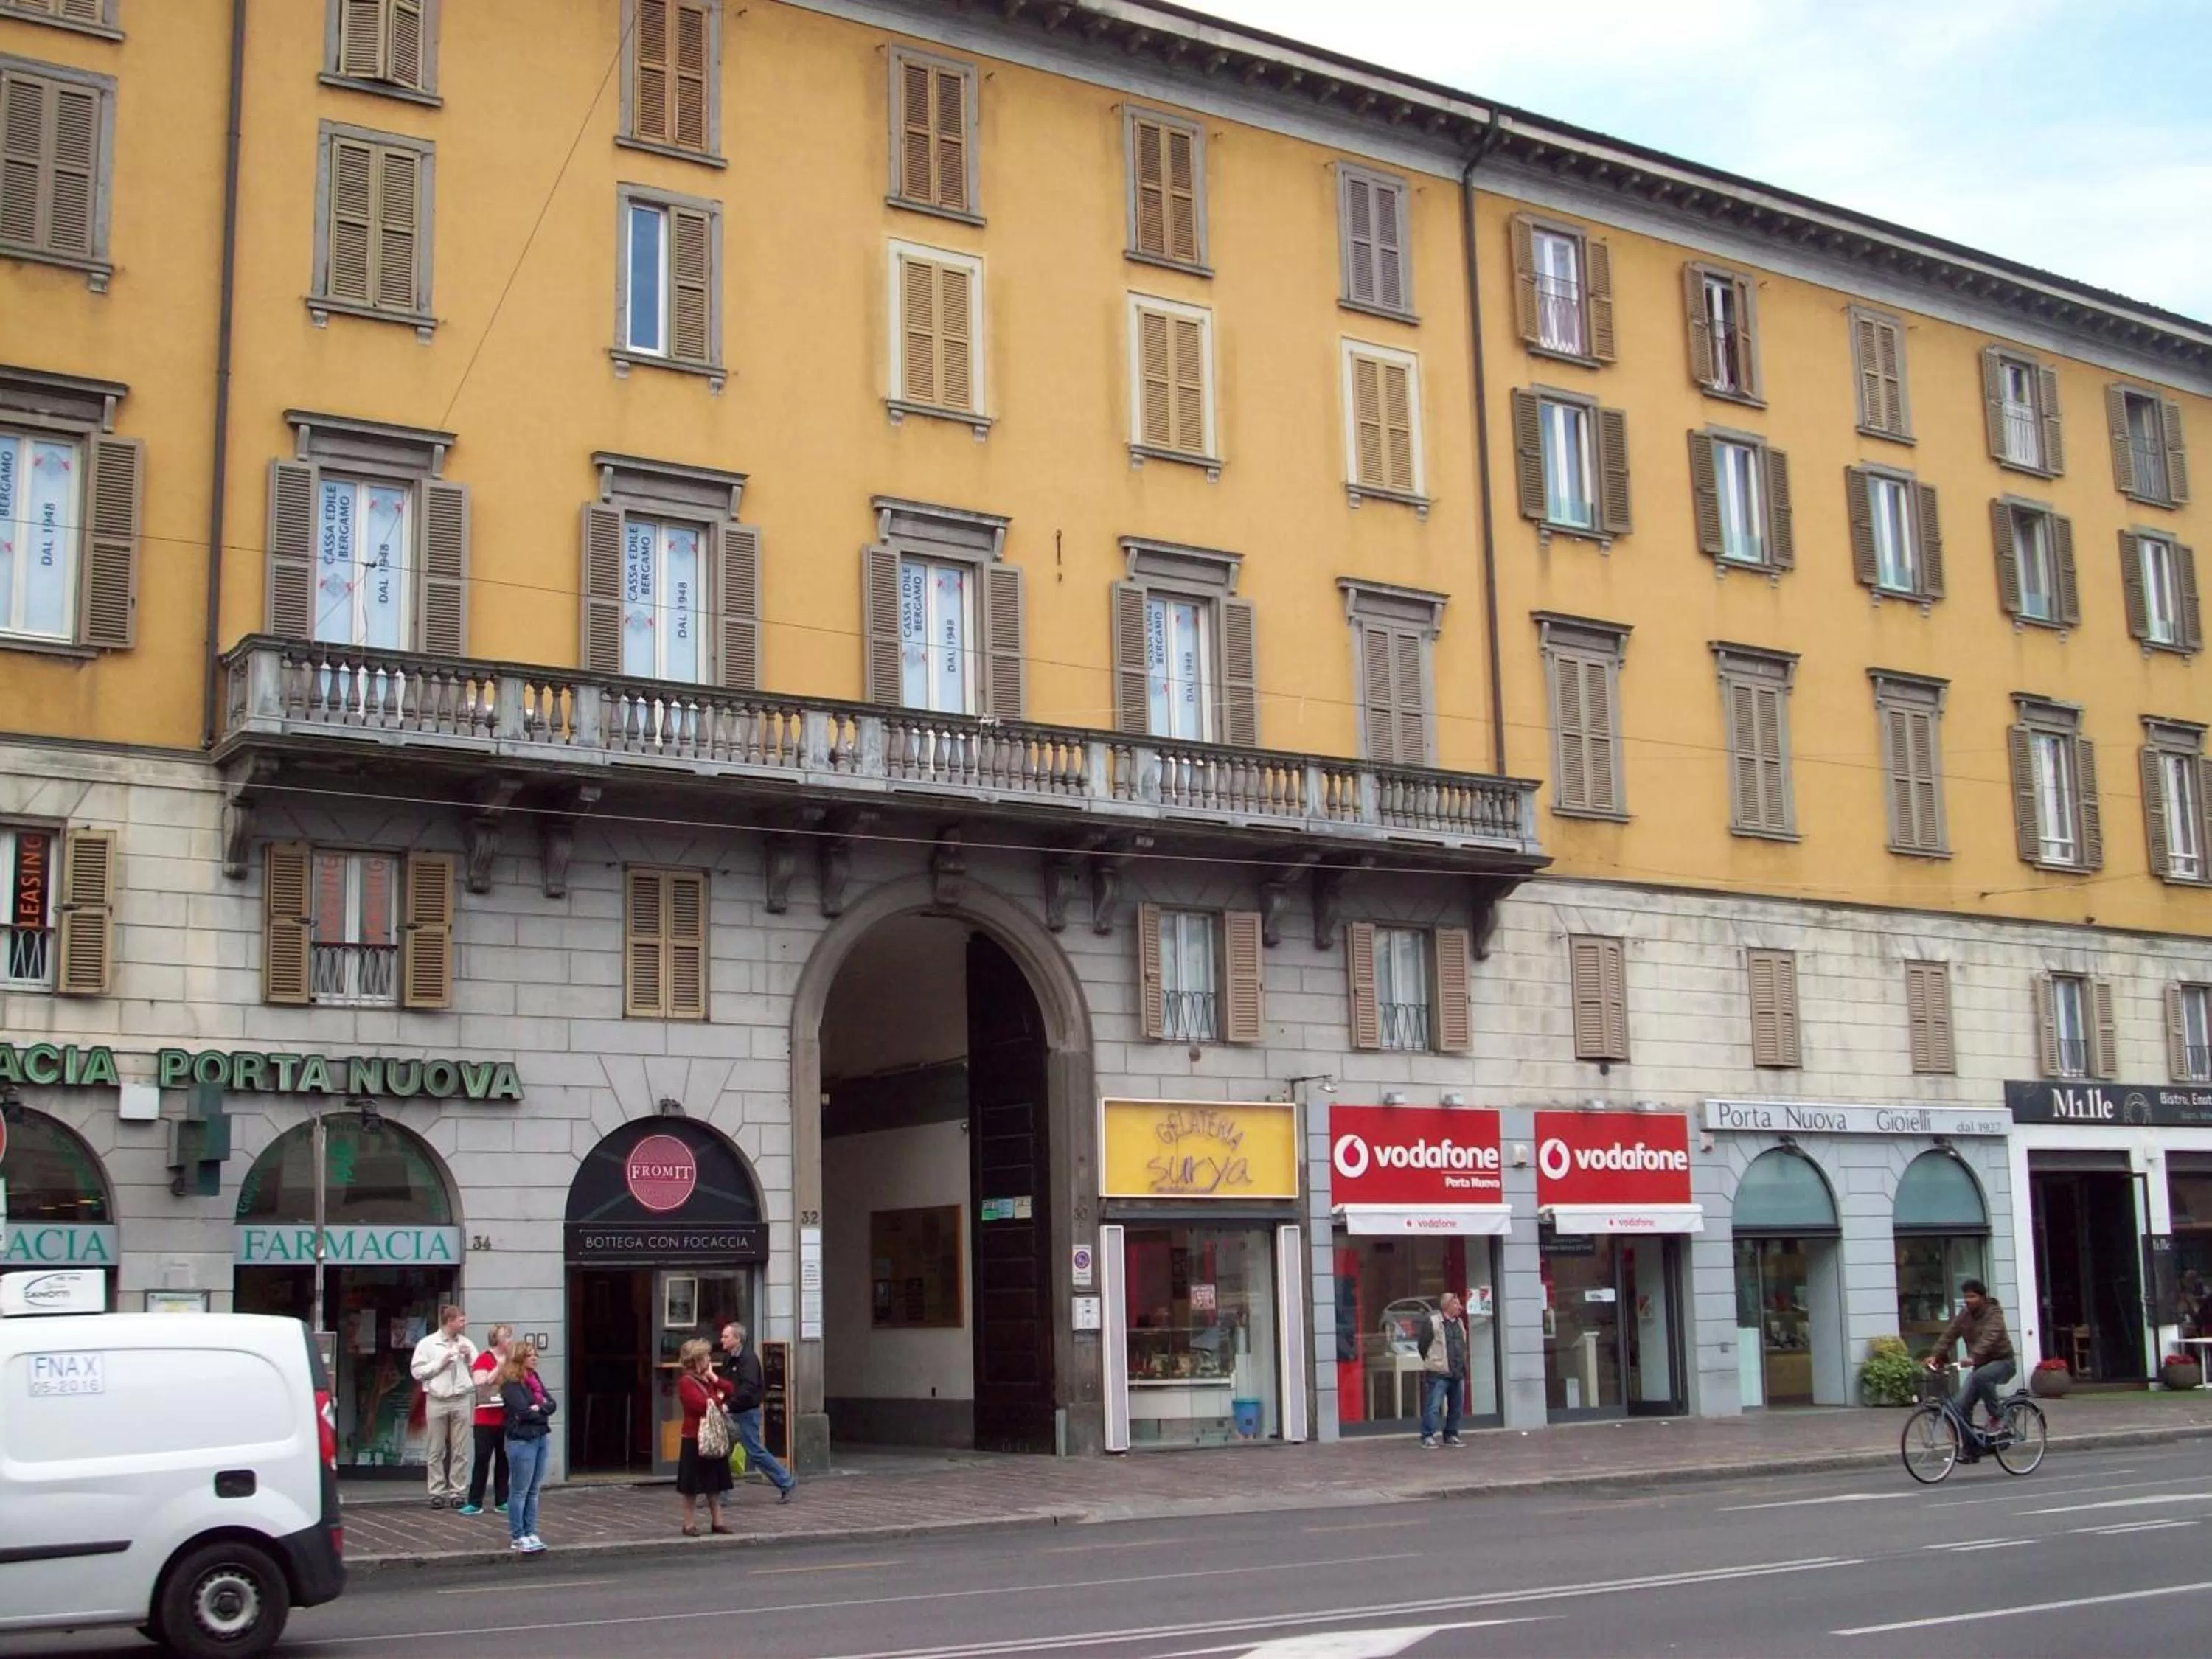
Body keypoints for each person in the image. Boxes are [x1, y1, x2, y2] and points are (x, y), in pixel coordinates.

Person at [1927, 1279, 2016, 1450]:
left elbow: (1989, 1338)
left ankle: (1998, 1417)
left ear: (1983, 1297)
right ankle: (1971, 1449)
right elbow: (1950, 1334)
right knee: (1959, 1407)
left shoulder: (1994, 1313)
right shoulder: (1965, 1315)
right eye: (1966, 1297)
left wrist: (1973, 1356)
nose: (1968, 1300)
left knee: (1982, 1376)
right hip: (1980, 1366)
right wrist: (1935, 1355)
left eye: (1973, 1297)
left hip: (2003, 1362)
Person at [717, 1321, 796, 1503]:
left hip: (745, 1413)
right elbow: (725, 1383)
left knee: (755, 1452)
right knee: (721, 1453)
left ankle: (786, 1482)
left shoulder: (749, 1359)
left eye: (726, 1336)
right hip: (731, 1411)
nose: (722, 1340)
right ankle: (719, 1494)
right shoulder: (729, 1358)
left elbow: (748, 1389)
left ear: (737, 1339)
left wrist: (730, 1404)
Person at [409, 1304, 477, 1509]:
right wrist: (441, 1362)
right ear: (450, 1322)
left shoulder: (466, 1343)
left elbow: (479, 1368)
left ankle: (458, 1491)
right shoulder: (428, 1344)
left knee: (460, 1449)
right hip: (437, 1398)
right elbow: (417, 1372)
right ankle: (436, 1492)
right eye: (461, 1320)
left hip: (461, 1398)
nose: (464, 1324)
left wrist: (467, 1358)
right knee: (436, 1448)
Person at [498, 1340, 556, 1554]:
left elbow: (552, 1404)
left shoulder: (534, 1380)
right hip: (522, 1440)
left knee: (534, 1490)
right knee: (520, 1490)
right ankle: (518, 1535)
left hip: (540, 1436)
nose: (534, 1358)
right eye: (530, 1355)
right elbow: (523, 1412)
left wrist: (538, 1409)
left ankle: (531, 1532)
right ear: (519, 1358)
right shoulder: (511, 1385)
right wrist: (539, 1410)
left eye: (535, 1354)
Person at [675, 1338, 737, 1535]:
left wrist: (714, 1377)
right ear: (696, 1360)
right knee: (690, 1485)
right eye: (706, 1357)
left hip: (713, 1438)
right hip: (695, 1437)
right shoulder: (686, 1382)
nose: (710, 1359)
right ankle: (689, 1524)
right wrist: (717, 1398)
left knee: (715, 1483)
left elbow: (730, 1390)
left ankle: (717, 1521)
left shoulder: (708, 1378)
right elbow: (702, 1405)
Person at [458, 1324, 512, 1517]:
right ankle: (475, 1502)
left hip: (505, 1418)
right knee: (482, 1459)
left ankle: (502, 1500)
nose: (509, 1342)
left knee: (504, 1459)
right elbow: (481, 1382)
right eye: (506, 1338)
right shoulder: (483, 1358)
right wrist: (499, 1367)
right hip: (485, 1419)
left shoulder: (512, 1360)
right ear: (497, 1340)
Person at [1416, 1293, 1469, 1450]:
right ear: (1447, 1305)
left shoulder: (1459, 1323)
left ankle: (1451, 1434)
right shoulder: (1433, 1322)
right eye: (1456, 1304)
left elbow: (1462, 1345)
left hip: (1457, 1371)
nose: (1460, 1307)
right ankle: (1428, 1436)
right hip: (1439, 1372)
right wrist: (1433, 1362)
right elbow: (1423, 1346)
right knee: (1434, 1406)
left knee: (1456, 1406)